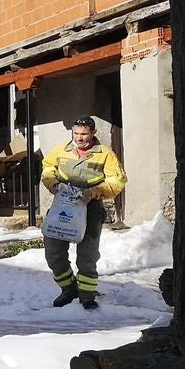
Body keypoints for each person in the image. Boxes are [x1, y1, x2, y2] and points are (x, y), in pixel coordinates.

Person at [41, 115, 127, 310]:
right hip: (62, 207)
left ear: (93, 133)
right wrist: (52, 184)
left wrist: (94, 192)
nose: (79, 138)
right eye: (76, 133)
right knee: (53, 253)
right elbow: (48, 167)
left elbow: (118, 180)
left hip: (91, 209)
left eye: (84, 134)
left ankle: (87, 295)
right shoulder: (62, 150)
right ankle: (69, 288)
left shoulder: (104, 154)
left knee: (87, 256)